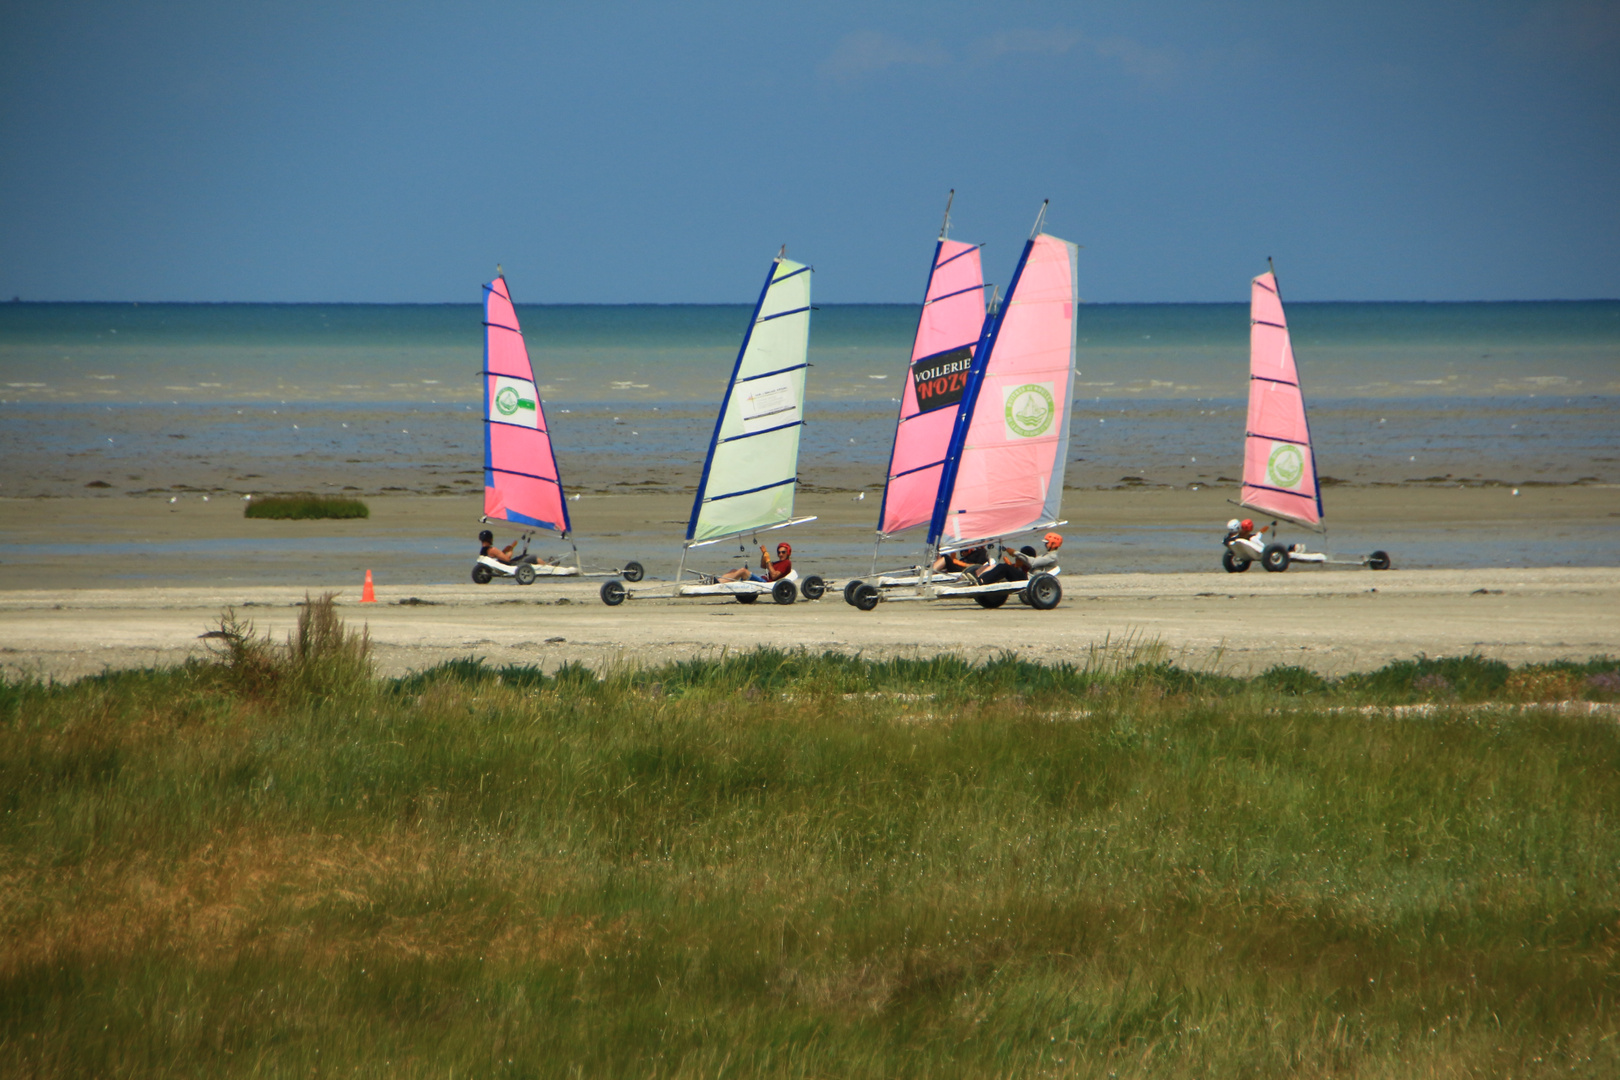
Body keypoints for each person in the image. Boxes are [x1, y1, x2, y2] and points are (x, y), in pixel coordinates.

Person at [970, 532, 1063, 586]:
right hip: (1028, 577)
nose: (1045, 544)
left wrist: (1015, 553)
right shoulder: (1048, 555)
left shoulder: (1052, 557)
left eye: (1047, 543)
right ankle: (981, 579)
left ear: (1053, 544)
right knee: (1003, 567)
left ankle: (982, 581)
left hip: (1028, 579)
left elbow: (1033, 562)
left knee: (1004, 568)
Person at [718, 541, 792, 584]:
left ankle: (720, 583)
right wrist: (764, 554)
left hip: (765, 583)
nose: (781, 554)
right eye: (779, 552)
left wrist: (768, 560)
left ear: (788, 552)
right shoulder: (779, 563)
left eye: (783, 552)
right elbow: (763, 565)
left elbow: (774, 576)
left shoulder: (786, 563)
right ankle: (718, 580)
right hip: (762, 579)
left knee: (743, 571)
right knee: (734, 570)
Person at [478, 529, 550, 566]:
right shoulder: (493, 550)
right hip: (511, 566)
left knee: (524, 556)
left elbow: (498, 558)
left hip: (504, 564)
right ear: (490, 539)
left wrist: (504, 551)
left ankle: (545, 563)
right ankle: (547, 566)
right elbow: (507, 559)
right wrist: (511, 550)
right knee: (533, 557)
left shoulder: (483, 552)